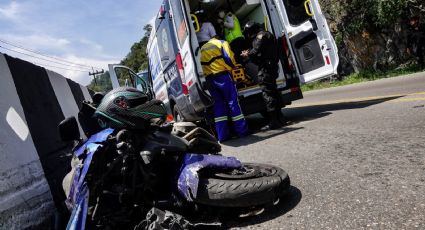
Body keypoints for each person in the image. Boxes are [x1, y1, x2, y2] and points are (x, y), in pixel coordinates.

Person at [200, 36, 249, 142]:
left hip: (209, 80)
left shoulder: (202, 48)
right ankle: (242, 132)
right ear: (217, 37)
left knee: (218, 106)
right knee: (232, 102)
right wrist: (234, 67)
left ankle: (223, 136)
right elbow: (228, 57)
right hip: (223, 77)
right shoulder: (221, 43)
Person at [241, 21, 285, 130]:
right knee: (274, 92)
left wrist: (247, 54)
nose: (248, 35)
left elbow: (256, 51)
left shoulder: (261, 36)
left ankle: (274, 122)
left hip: (266, 69)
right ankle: (280, 118)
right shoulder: (268, 34)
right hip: (271, 66)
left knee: (268, 94)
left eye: (248, 33)